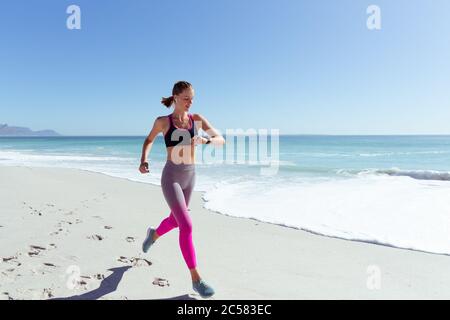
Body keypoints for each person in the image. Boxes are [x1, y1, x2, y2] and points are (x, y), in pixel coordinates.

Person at [139, 81, 225, 298]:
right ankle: (196, 279)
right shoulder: (163, 122)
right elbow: (148, 140)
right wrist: (144, 160)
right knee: (186, 225)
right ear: (175, 97)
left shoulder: (197, 119)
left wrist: (205, 140)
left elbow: (220, 140)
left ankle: (154, 234)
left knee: (177, 221)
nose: (190, 102)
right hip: (171, 177)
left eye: (192, 99)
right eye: (186, 98)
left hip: (190, 177)